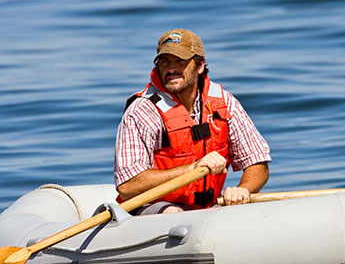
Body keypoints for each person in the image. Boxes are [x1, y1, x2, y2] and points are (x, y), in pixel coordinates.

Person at [114, 28, 271, 214]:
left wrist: (243, 190)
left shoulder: (225, 103)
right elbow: (127, 187)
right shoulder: (141, 111)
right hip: (152, 208)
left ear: (200, 66)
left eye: (180, 61)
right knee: (173, 213)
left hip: (206, 208)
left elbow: (257, 162)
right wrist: (193, 168)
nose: (171, 69)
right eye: (165, 62)